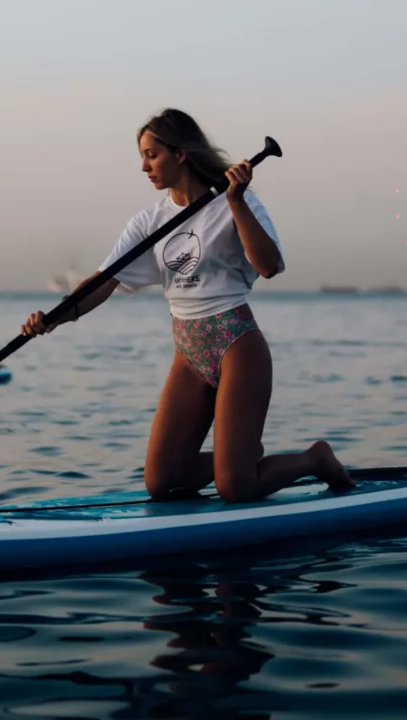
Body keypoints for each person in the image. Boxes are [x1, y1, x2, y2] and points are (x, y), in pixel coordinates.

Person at [22, 109, 353, 503]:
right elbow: (104, 279)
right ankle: (241, 457)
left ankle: (314, 459)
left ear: (180, 153)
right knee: (161, 481)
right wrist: (57, 317)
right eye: (142, 156)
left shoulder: (236, 204)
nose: (144, 166)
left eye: (152, 154)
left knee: (235, 488)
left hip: (236, 343)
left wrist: (236, 201)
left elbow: (268, 266)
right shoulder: (149, 222)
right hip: (189, 350)